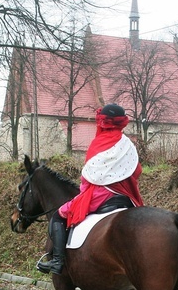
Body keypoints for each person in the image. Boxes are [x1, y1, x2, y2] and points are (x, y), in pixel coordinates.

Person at [37, 103, 144, 275]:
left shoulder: (99, 142)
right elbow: (136, 171)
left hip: (101, 195)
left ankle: (57, 261)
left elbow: (88, 176)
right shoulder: (128, 144)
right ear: (121, 122)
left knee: (58, 216)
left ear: (103, 121)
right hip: (125, 196)